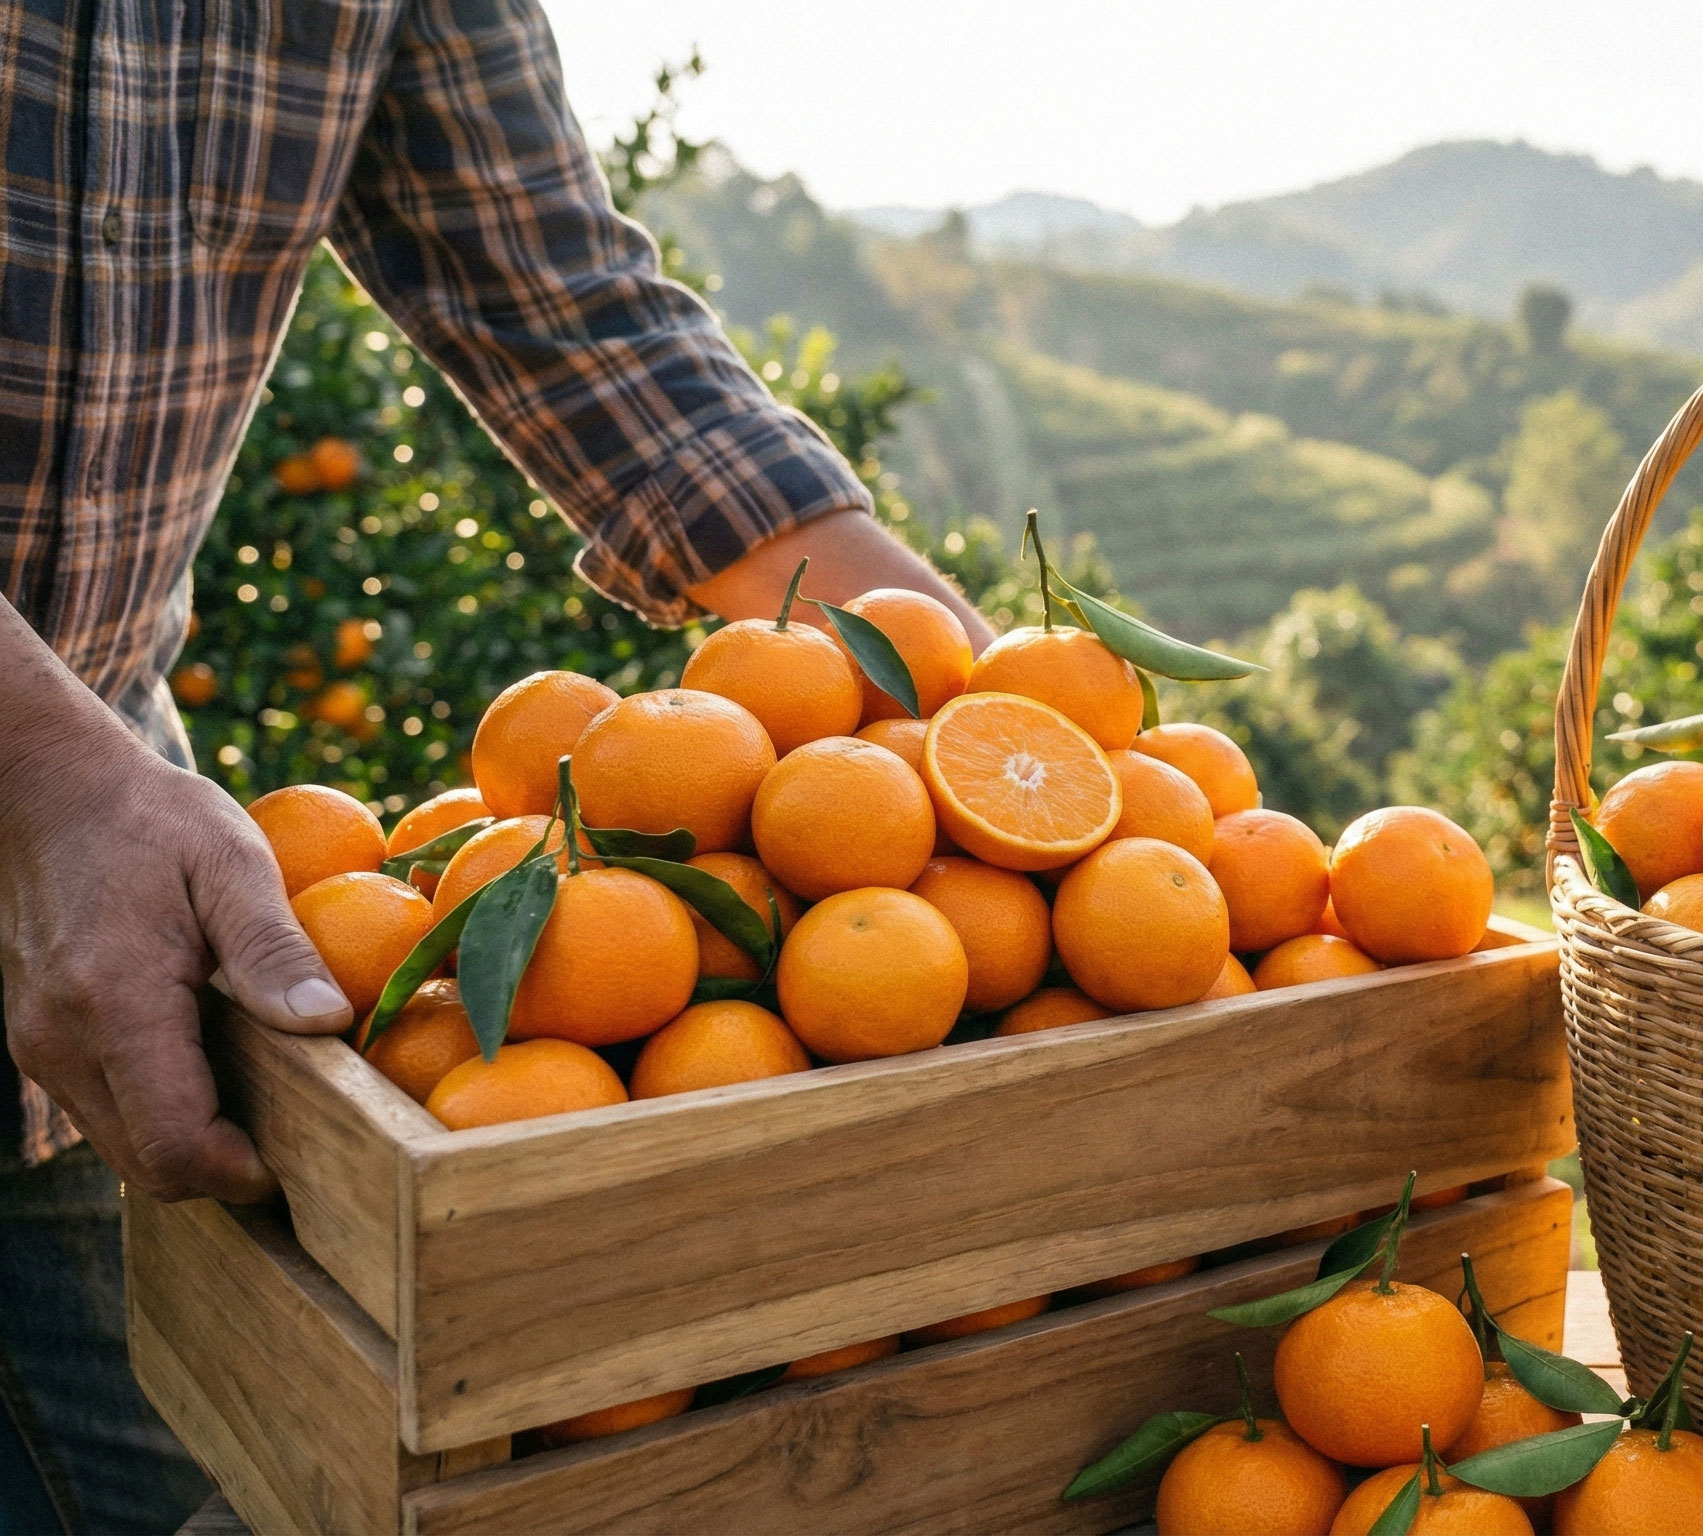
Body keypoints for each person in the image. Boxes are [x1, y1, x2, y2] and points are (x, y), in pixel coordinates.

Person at [0, 2, 988, 1528]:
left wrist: (983, 714)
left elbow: (564, 301)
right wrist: (44, 779)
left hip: (103, 979)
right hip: (79, 836)